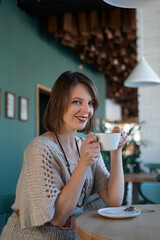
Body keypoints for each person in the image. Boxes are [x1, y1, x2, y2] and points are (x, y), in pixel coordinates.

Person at [1, 71, 128, 240]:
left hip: (72, 236)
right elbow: (57, 218)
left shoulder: (86, 146)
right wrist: (83, 164)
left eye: (90, 103)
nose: (86, 110)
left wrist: (116, 150)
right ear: (59, 103)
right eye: (77, 102)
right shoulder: (40, 148)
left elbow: (114, 199)